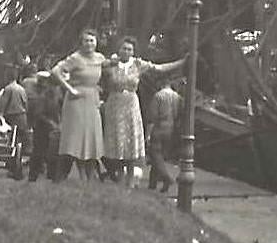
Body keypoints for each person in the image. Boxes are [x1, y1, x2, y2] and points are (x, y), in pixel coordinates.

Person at [101, 36, 185, 187]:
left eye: (129, 49)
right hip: (114, 104)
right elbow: (95, 67)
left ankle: (131, 178)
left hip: (131, 105)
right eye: (123, 48)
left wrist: (181, 62)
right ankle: (120, 176)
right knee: (117, 141)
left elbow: (159, 68)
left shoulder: (138, 64)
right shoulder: (110, 64)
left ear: (133, 52)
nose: (126, 52)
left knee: (131, 140)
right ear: (119, 50)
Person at [51, 28, 106, 182]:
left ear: (96, 42)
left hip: (92, 99)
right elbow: (56, 71)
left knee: (91, 136)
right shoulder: (75, 58)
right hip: (76, 100)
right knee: (76, 138)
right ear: (81, 43)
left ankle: (90, 175)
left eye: (92, 40)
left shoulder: (100, 58)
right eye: (86, 40)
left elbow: (111, 67)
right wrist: (69, 88)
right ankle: (76, 174)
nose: (89, 44)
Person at [146, 77, 183, 192]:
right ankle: (152, 185)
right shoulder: (177, 97)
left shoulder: (158, 96)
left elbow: (152, 117)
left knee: (155, 155)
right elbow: (178, 114)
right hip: (170, 128)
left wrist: (148, 134)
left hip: (159, 127)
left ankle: (166, 178)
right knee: (160, 156)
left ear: (161, 84)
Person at [0, 71, 29, 179]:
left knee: (12, 144)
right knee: (19, 144)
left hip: (12, 117)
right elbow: (26, 104)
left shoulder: (8, 89)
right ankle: (16, 166)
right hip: (22, 117)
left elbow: (2, 105)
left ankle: (14, 169)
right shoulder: (21, 89)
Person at [28, 71, 61, 182]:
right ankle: (33, 175)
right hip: (41, 128)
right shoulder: (43, 97)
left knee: (53, 153)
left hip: (52, 127)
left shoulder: (56, 96)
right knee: (39, 152)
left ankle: (52, 175)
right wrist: (51, 123)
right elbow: (38, 114)